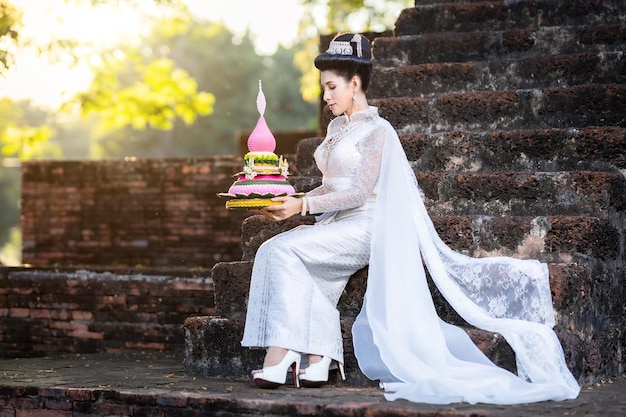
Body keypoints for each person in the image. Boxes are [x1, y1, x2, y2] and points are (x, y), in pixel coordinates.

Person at [241, 32, 580, 404]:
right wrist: (291, 198)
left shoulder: (377, 131)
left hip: (365, 225)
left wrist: (300, 209)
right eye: (324, 89)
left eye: (331, 87)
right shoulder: (338, 129)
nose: (326, 97)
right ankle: (320, 358)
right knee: (287, 257)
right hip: (334, 222)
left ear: (354, 84)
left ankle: (282, 350)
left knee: (280, 252)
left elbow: (357, 192)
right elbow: (332, 186)